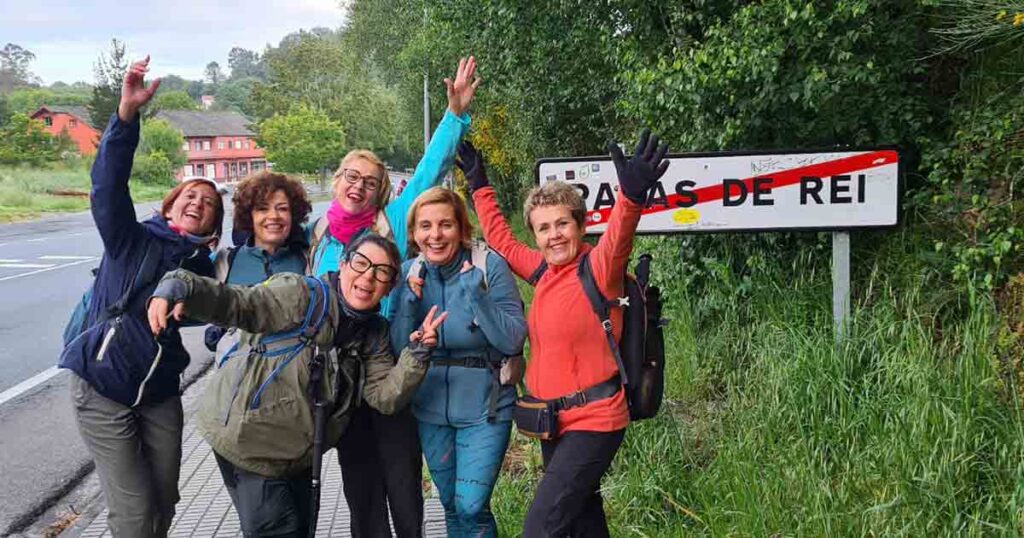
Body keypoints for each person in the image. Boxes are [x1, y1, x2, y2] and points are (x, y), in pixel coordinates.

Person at [146, 232, 448, 537]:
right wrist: (182, 285)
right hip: (247, 441)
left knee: (302, 529)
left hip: (297, 456)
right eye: (361, 263)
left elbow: (384, 397)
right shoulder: (301, 294)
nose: (368, 276)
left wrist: (417, 354)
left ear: (389, 287)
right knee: (278, 530)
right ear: (343, 265)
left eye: (382, 272)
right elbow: (239, 303)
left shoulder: (373, 333)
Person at [462, 130, 670, 537]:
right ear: (536, 235)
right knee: (582, 520)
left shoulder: (599, 269)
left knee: (541, 527)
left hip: (595, 419)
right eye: (543, 228)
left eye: (562, 224)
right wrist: (479, 185)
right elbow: (501, 239)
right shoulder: (543, 272)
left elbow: (619, 237)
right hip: (552, 420)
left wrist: (630, 197)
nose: (554, 235)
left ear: (581, 225)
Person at [306, 56, 481, 538]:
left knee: (404, 490)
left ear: (380, 190)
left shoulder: (393, 223)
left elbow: (429, 172)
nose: (358, 185)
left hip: (390, 365)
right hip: (342, 379)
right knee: (361, 495)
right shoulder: (319, 236)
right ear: (338, 180)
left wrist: (455, 115)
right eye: (351, 176)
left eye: (369, 181)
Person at [58, 55, 225, 538]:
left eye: (208, 203)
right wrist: (126, 116)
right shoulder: (130, 240)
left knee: (163, 502)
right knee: (133, 513)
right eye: (189, 195)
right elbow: (107, 185)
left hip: (158, 393)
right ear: (171, 206)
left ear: (213, 227)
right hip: (102, 385)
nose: (197, 202)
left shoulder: (204, 269)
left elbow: (225, 307)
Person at [388, 187, 527, 537]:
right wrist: (407, 303)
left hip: (486, 406)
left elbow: (512, 339)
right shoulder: (408, 273)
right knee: (450, 504)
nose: (435, 235)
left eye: (445, 225)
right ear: (414, 233)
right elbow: (397, 349)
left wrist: (477, 294)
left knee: (471, 506)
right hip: (430, 406)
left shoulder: (489, 265)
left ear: (462, 228)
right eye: (425, 226)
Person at [203, 171, 313, 352]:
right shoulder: (225, 261)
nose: (274, 216)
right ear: (249, 216)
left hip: (297, 365)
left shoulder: (308, 259)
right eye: (262, 208)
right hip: (240, 366)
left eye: (282, 208)